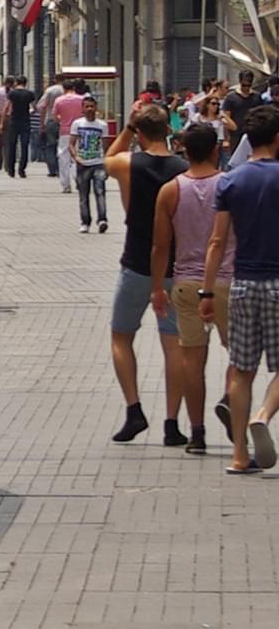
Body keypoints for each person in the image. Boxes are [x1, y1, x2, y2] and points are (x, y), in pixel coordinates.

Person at [107, 103, 184, 445]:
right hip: (176, 267)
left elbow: (109, 156)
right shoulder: (184, 169)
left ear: (139, 133)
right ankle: (172, 423)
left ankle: (134, 410)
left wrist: (127, 127)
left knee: (121, 337)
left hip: (136, 262)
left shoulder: (127, 164)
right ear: (168, 130)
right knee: (175, 345)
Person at [150, 118, 226, 457]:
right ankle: (235, 413)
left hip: (184, 282)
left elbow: (160, 246)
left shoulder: (170, 190)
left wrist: (156, 287)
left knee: (192, 361)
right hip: (228, 281)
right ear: (216, 148)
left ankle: (196, 432)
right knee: (240, 358)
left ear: (183, 149)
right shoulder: (229, 185)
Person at [210, 105, 279, 473]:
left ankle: (238, 455)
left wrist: (207, 292)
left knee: (241, 370)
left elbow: (217, 241)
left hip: (242, 283)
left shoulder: (230, 181)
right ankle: (264, 415)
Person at [69, 95, 111, 228]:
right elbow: (71, 143)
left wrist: (107, 163)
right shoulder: (77, 124)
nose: (89, 109)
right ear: (82, 108)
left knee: (100, 191)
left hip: (98, 162)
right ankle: (85, 221)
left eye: (92, 106)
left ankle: (102, 219)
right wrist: (76, 157)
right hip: (83, 163)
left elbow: (106, 146)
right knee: (83, 194)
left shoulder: (102, 125)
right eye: (86, 106)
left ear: (96, 108)